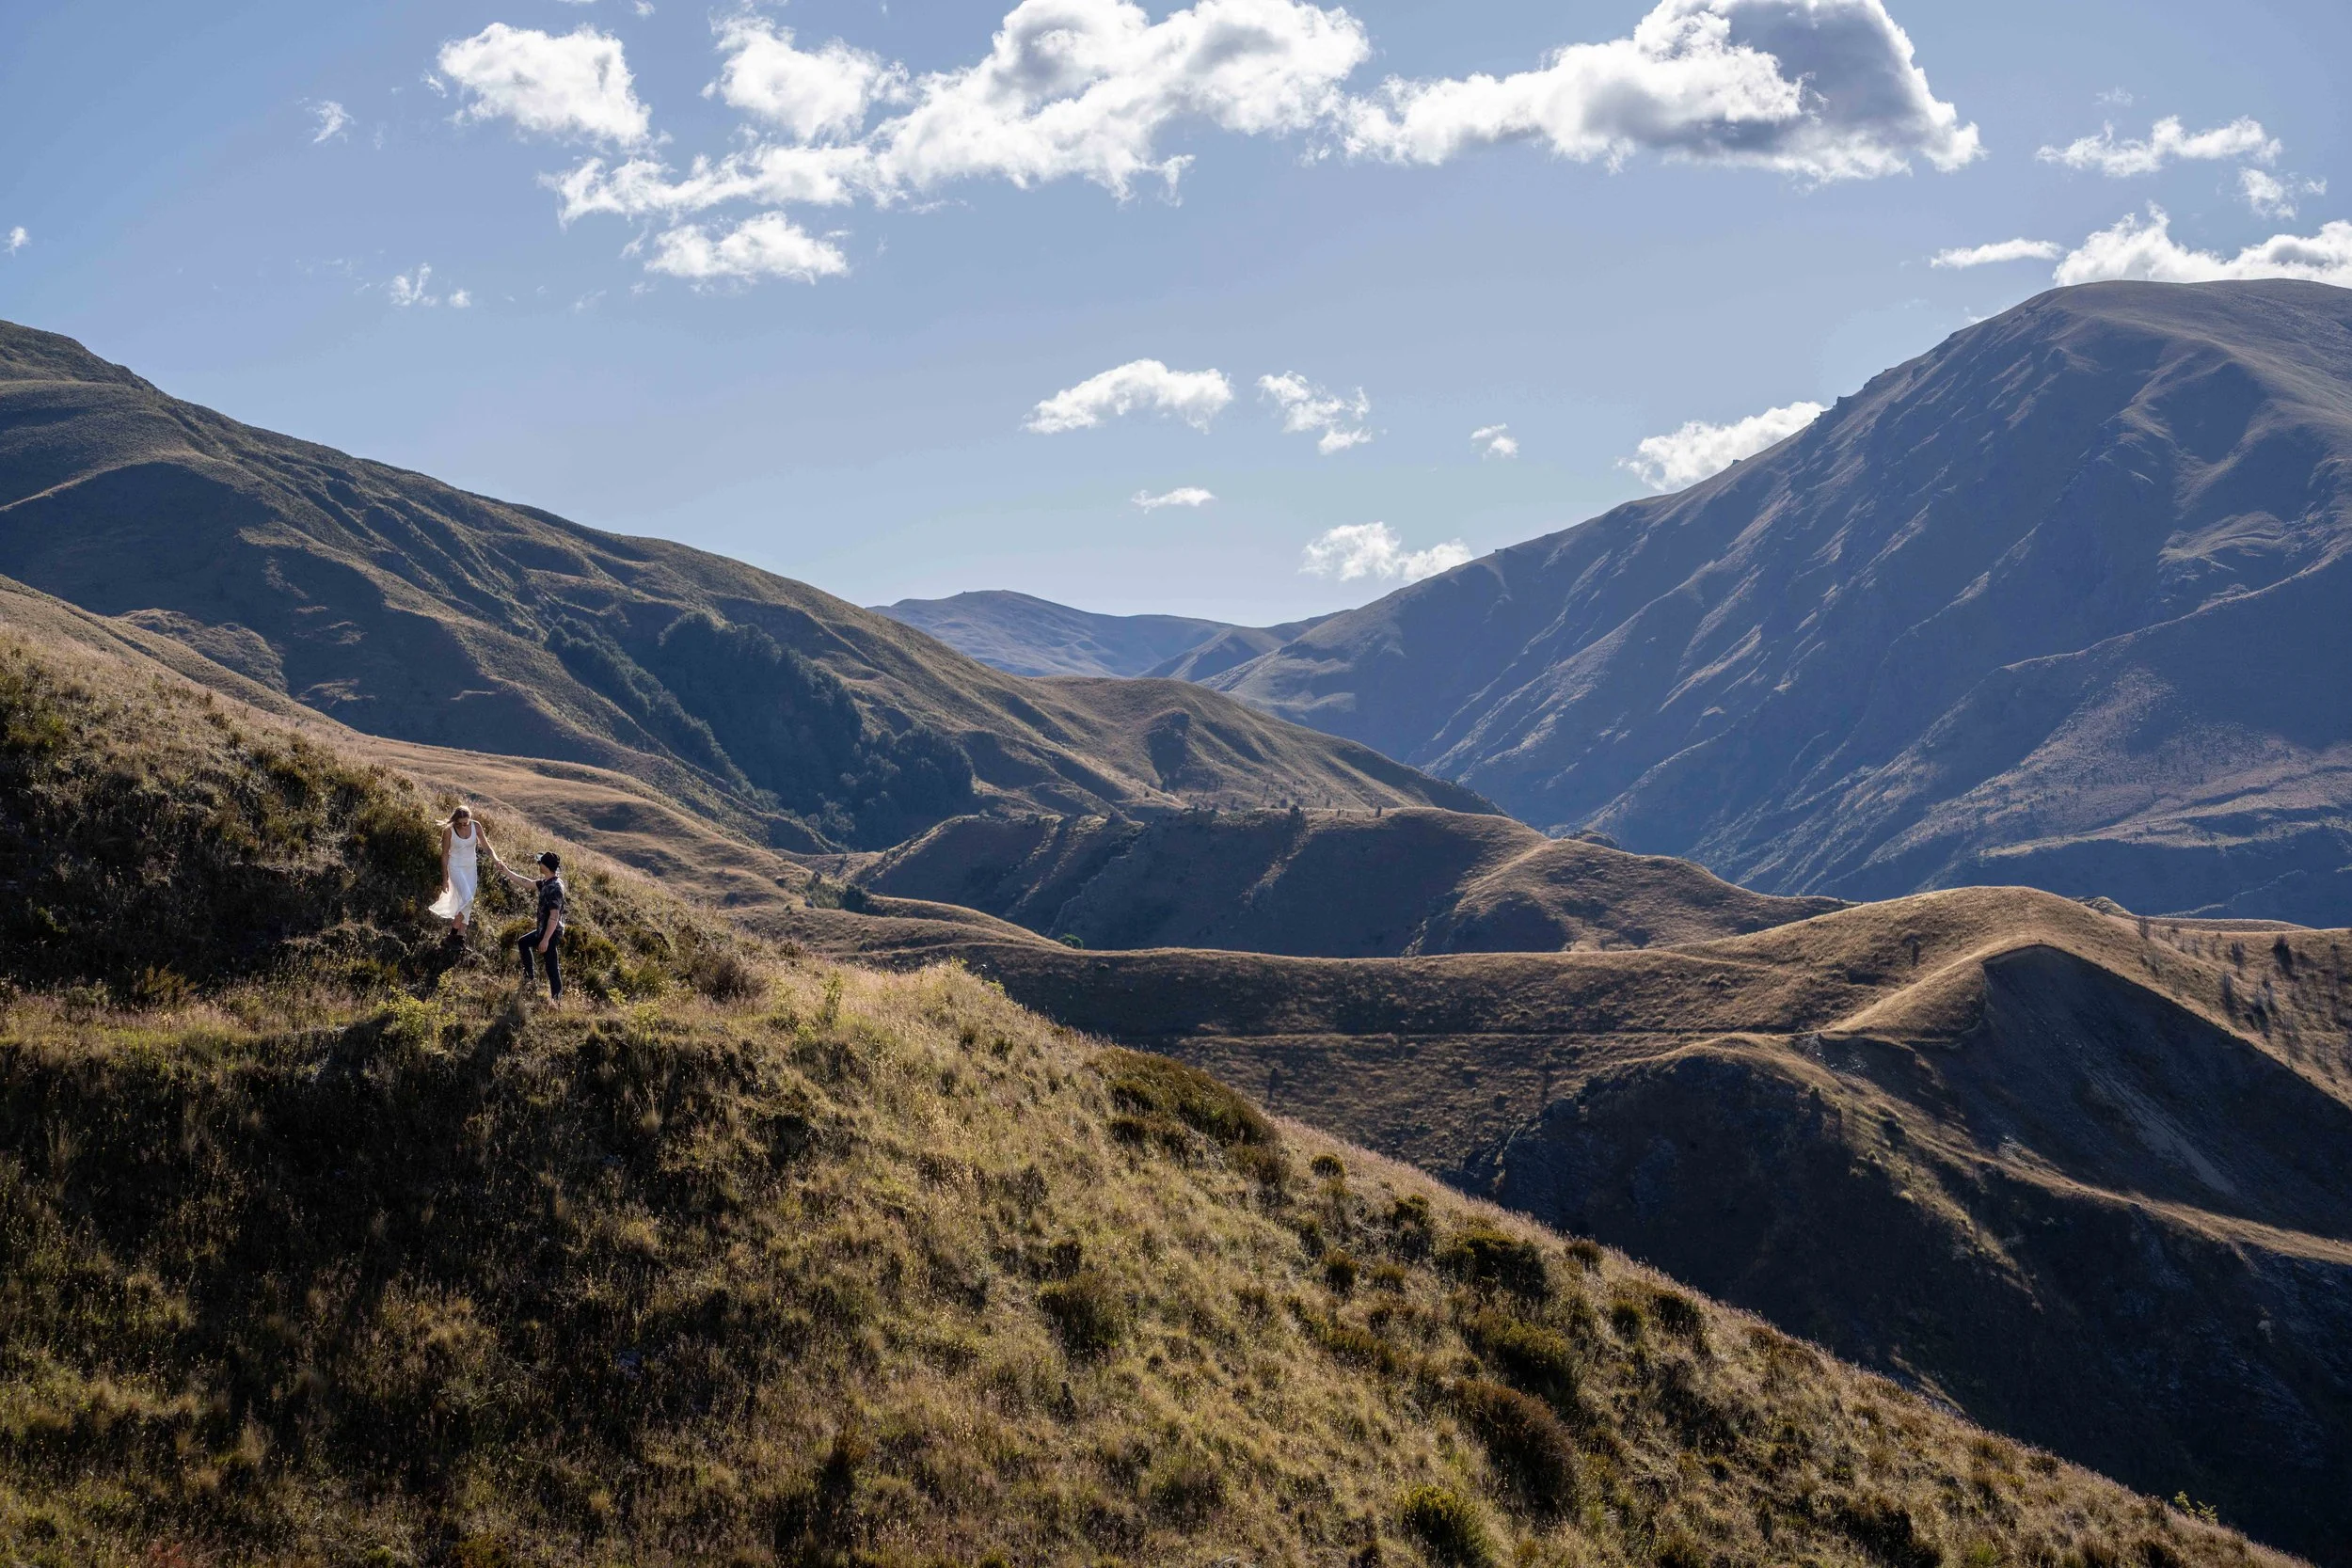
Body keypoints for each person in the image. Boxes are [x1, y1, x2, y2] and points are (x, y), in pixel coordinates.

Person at [498, 849, 567, 1000]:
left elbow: (554, 917)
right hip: (543, 930)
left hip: (551, 932)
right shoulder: (548, 882)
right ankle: (529, 978)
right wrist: (506, 871)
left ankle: (557, 1001)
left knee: (552, 968)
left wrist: (546, 940)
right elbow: (527, 883)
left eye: (540, 862)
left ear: (546, 866)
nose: (538, 864)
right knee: (523, 942)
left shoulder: (554, 888)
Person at [427, 806, 493, 938]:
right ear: (455, 821)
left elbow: (487, 847)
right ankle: (452, 934)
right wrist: (445, 878)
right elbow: (445, 855)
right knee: (467, 898)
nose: (463, 825)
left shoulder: (476, 826)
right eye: (460, 823)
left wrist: (496, 860)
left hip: (471, 869)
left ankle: (460, 937)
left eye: (466, 823)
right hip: (456, 867)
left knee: (469, 902)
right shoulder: (449, 831)